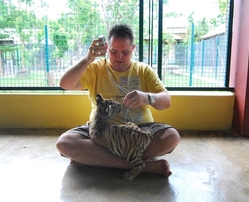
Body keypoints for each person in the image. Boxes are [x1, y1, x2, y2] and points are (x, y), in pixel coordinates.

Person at [56, 24, 180, 177]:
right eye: (114, 52)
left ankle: (93, 159)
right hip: (101, 132)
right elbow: (65, 84)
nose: (119, 57)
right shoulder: (96, 69)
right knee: (65, 143)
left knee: (171, 136)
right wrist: (88, 58)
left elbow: (166, 101)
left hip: (138, 130)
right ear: (107, 48)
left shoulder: (143, 70)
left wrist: (147, 97)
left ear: (133, 48)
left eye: (125, 52)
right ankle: (144, 166)